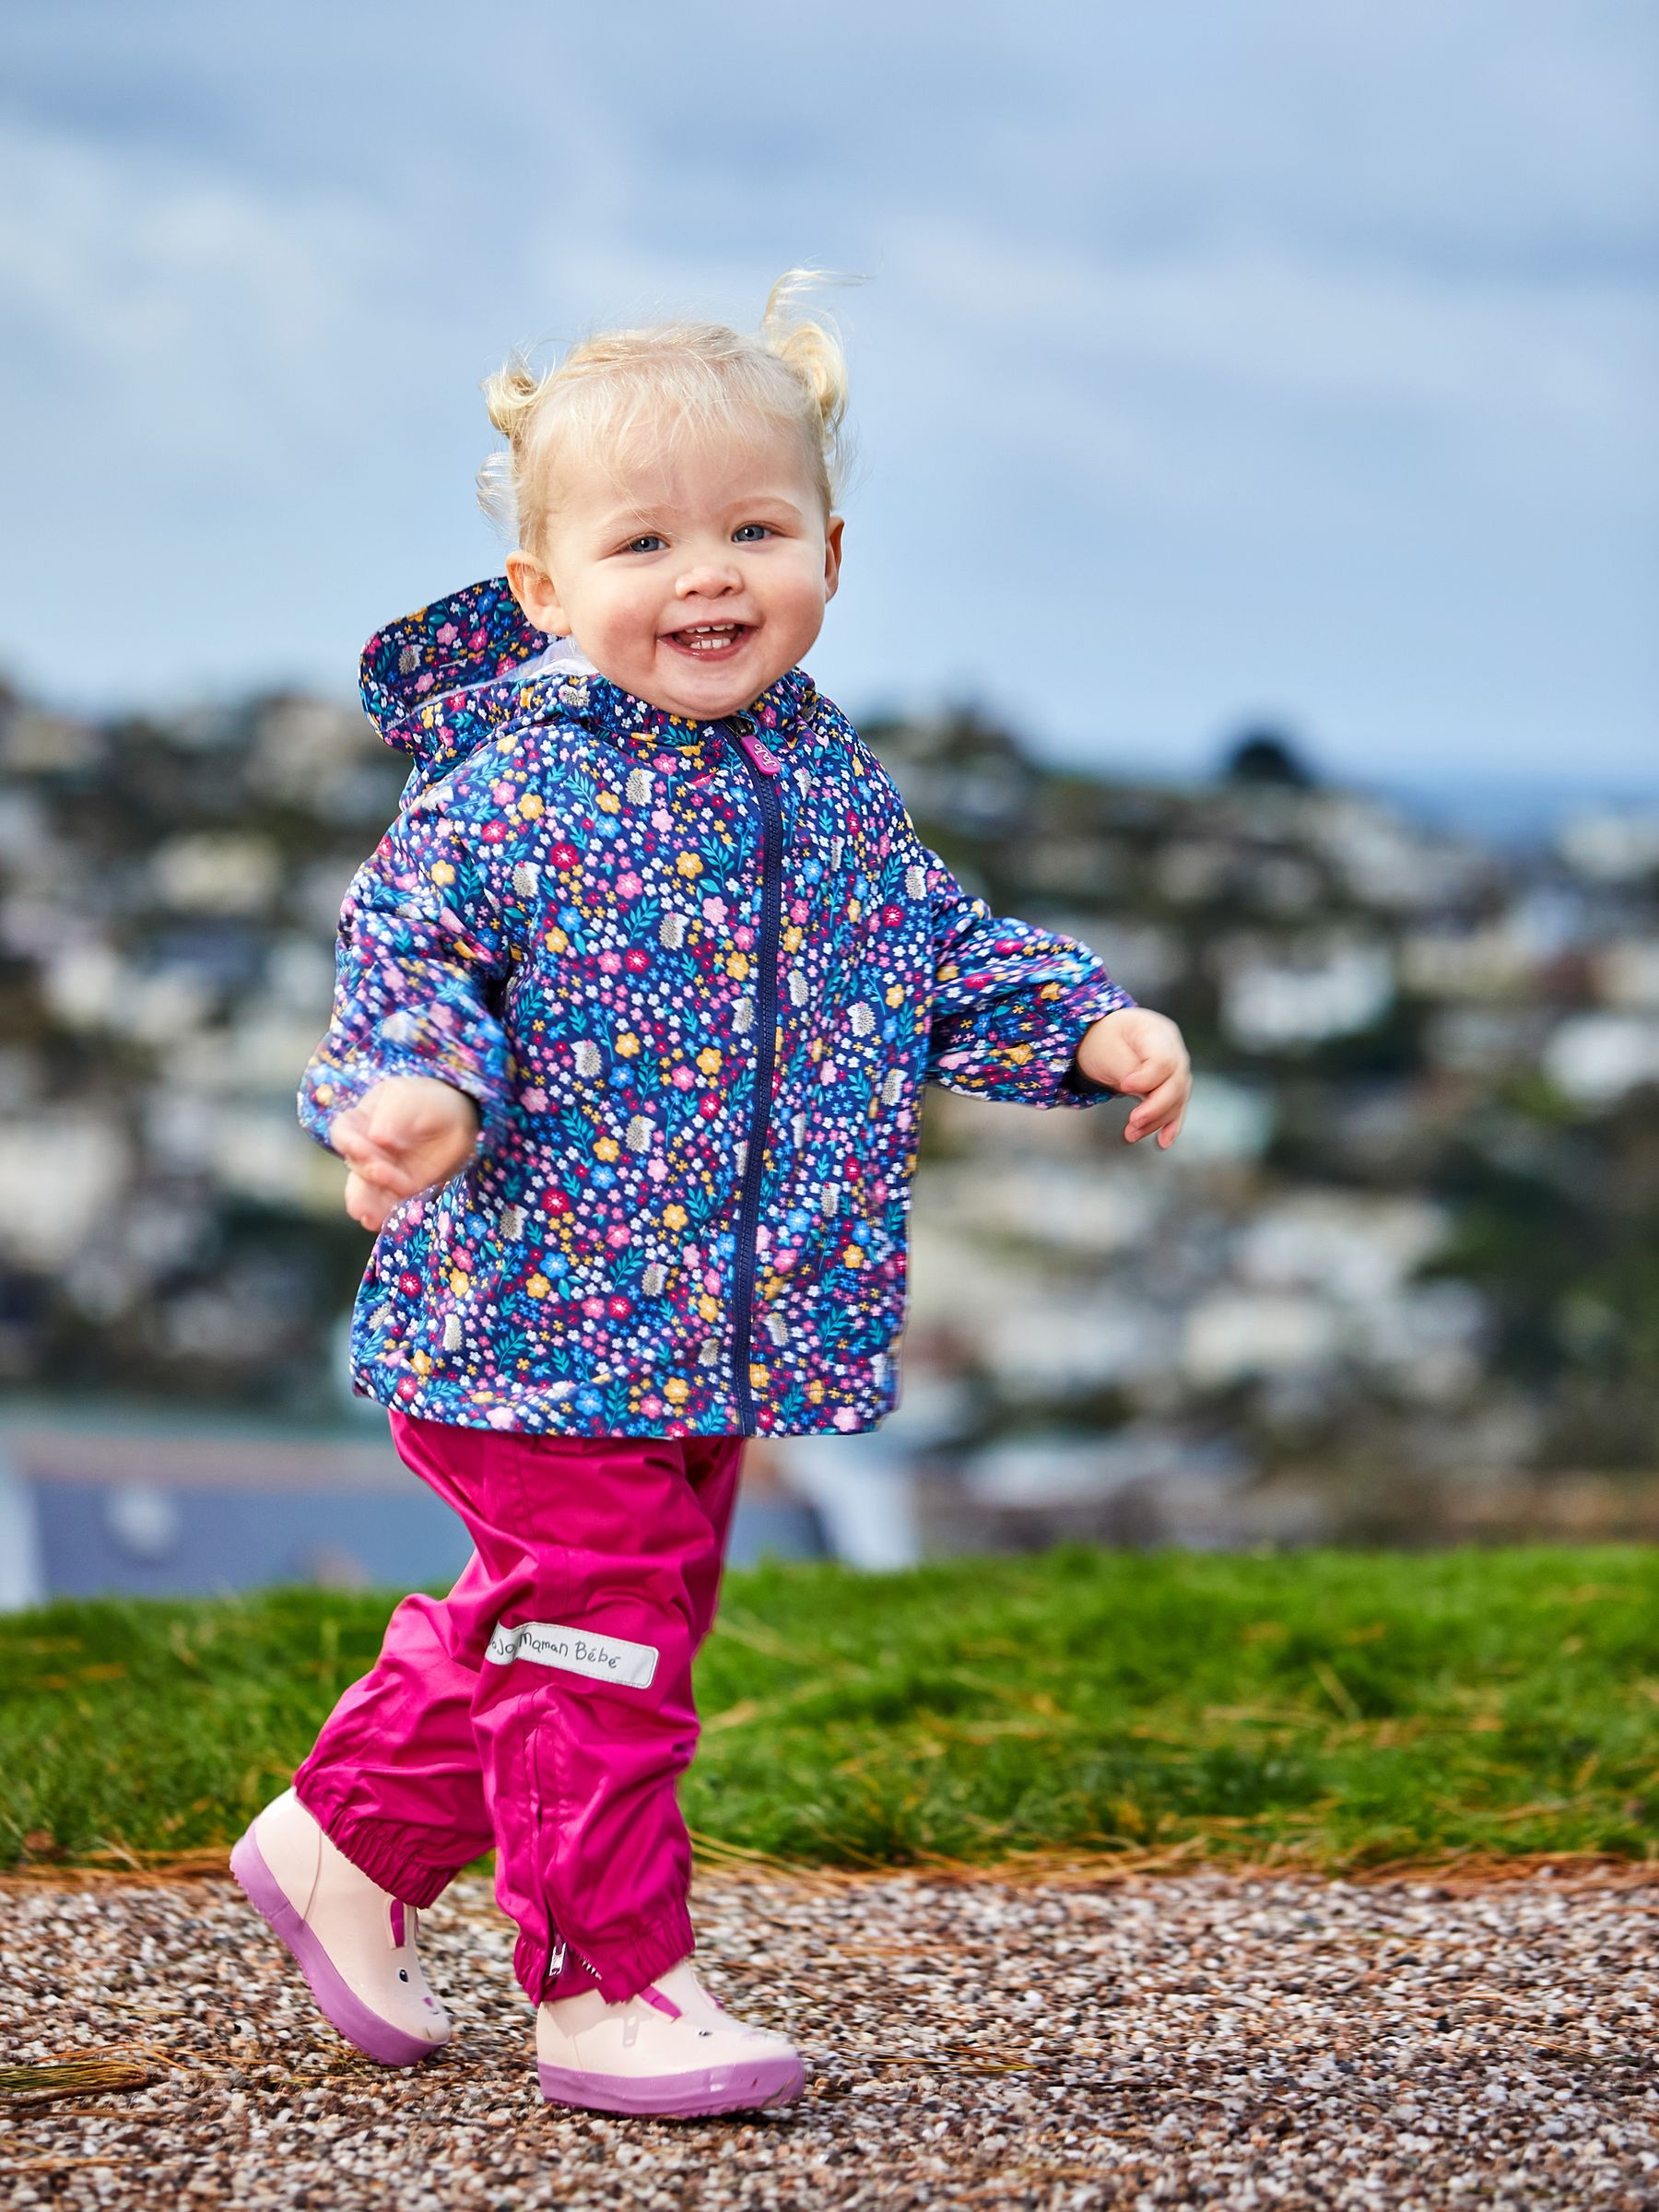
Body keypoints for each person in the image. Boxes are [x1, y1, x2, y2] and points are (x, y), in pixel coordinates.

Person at [229, 271, 1192, 2119]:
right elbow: (406, 956)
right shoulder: (516, 789)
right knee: (604, 1642)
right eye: (646, 539)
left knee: (550, 1607)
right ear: (546, 591)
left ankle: (344, 1845)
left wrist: (1088, 1030)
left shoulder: (817, 783)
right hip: (535, 1306)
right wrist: (411, 1094)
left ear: (832, 547)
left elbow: (930, 952)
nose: (709, 576)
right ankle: (606, 1985)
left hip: (715, 1326)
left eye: (754, 529)